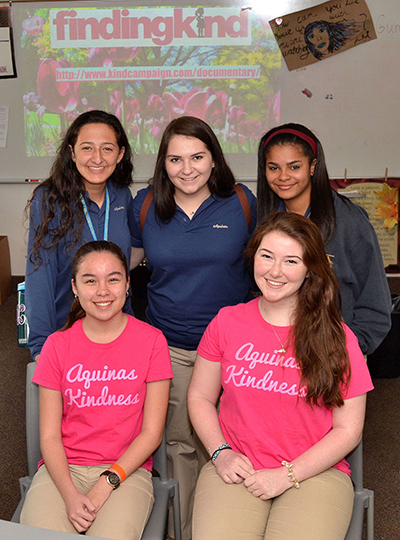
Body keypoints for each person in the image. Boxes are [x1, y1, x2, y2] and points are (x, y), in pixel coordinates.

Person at [188, 212, 373, 540]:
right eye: (266, 256)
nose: (275, 271)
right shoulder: (227, 322)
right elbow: (200, 397)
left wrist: (287, 474)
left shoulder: (339, 338)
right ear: (252, 257)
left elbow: (348, 430)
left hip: (316, 472)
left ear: (309, 270)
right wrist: (220, 452)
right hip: (237, 465)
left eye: (290, 261)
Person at [130, 115, 257, 540]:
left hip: (236, 351)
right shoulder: (146, 204)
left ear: (214, 158)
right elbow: (125, 266)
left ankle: (226, 526)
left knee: (232, 439)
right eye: (175, 159)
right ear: (162, 164)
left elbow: (270, 266)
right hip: (174, 347)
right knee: (181, 443)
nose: (187, 169)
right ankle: (186, 530)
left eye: (197, 157)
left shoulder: (241, 201)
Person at [20, 241, 173, 540]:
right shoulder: (56, 345)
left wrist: (107, 482)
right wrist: (69, 495)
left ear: (128, 284)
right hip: (63, 470)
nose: (103, 291)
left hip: (126, 471)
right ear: (75, 287)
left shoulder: (153, 342)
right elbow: (49, 436)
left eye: (113, 279)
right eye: (90, 280)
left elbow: (151, 433)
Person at [256, 123, 391, 355]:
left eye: (294, 166)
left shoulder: (349, 222)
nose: (283, 176)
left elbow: (375, 303)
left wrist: (346, 352)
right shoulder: (265, 218)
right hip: (276, 353)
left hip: (334, 355)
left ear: (312, 166)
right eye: (273, 168)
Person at [25, 110, 136, 360]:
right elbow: (40, 274)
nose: (97, 158)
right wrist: (42, 346)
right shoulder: (50, 200)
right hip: (68, 329)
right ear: (72, 153)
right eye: (87, 148)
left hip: (118, 326)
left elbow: (126, 259)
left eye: (107, 149)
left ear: (120, 154)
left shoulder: (122, 197)